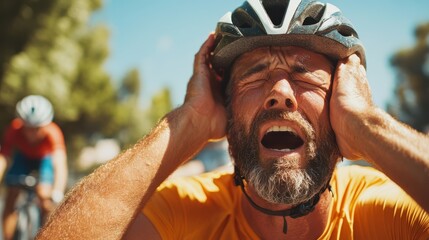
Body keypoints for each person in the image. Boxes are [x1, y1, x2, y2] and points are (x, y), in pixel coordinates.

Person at [37, 0, 428, 239]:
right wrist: (188, 122)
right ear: (225, 112)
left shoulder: (386, 209)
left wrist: (368, 125)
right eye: (255, 74)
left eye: (304, 73)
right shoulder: (184, 211)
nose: (281, 92)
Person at [0, 95, 68, 240]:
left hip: (45, 159)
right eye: (28, 128)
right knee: (11, 194)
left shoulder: (53, 133)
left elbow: (60, 165)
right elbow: (3, 159)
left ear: (45, 125)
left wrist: (57, 192)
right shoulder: (14, 129)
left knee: (44, 195)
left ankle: (48, 234)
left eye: (37, 129)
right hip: (22, 157)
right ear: (21, 123)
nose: (31, 133)